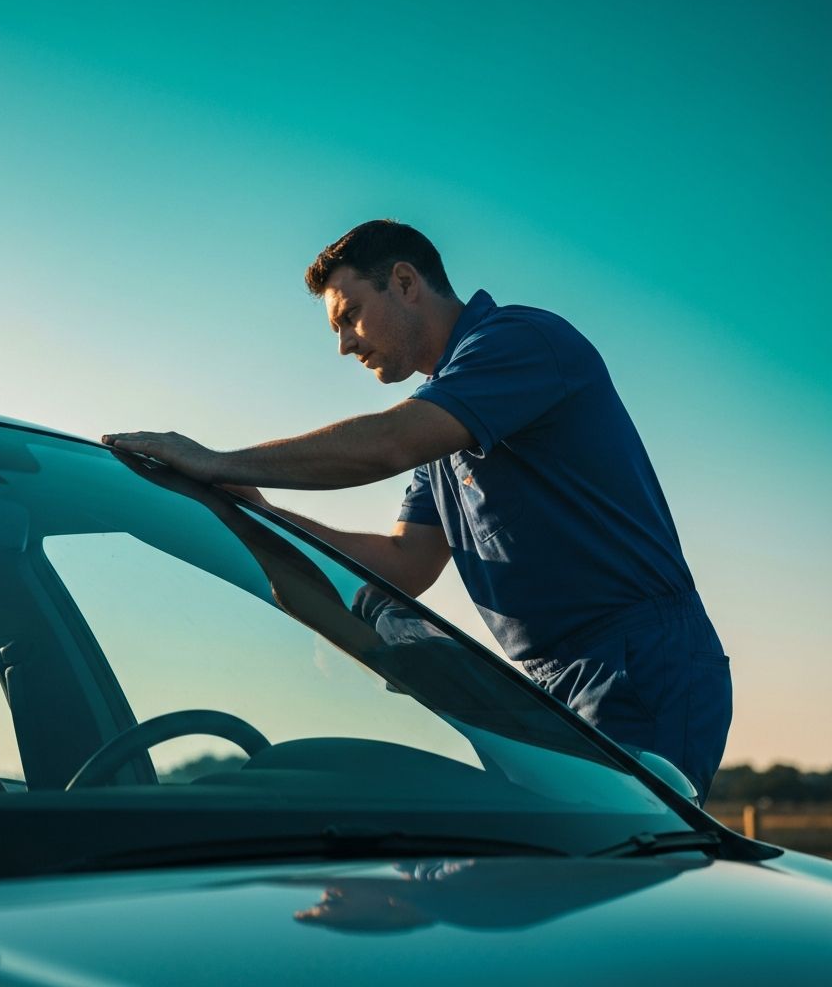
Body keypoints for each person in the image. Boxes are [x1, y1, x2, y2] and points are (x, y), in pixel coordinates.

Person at [102, 219, 732, 800]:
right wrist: (262, 514)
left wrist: (216, 462)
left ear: (404, 282)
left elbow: (387, 444)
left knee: (612, 889)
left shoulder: (519, 342)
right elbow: (405, 563)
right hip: (541, 687)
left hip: (636, 664)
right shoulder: (445, 421)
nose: (346, 346)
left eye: (350, 316)